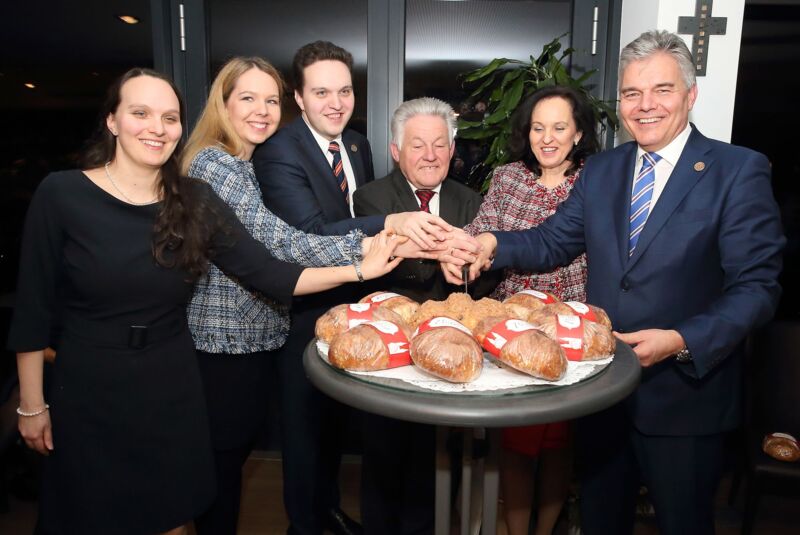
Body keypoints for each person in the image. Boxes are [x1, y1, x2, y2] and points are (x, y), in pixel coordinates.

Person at [7, 68, 404, 535]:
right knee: (87, 514)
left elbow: (270, 272)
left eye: (169, 117)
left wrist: (362, 270)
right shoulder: (62, 194)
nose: (157, 128)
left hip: (172, 383)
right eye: (140, 113)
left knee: (172, 513)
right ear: (112, 120)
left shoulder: (193, 199)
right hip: (89, 386)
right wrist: (31, 404)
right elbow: (32, 309)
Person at [445, 30, 785, 535]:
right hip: (603, 392)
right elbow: (553, 240)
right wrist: (492, 243)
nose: (645, 105)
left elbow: (757, 287)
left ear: (690, 95)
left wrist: (680, 340)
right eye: (631, 93)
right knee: (602, 520)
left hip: (684, 399)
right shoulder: (602, 170)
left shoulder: (737, 170)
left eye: (662, 90)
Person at [180, 56, 444, 535]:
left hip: (293, 318)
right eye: (247, 98)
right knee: (247, 455)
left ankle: (325, 514)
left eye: (269, 100)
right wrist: (380, 238)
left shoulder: (352, 146)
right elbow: (288, 240)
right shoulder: (230, 163)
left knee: (313, 435)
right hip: (237, 335)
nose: (262, 110)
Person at [252, 41, 478, 535]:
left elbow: (356, 219)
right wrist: (395, 225)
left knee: (335, 432)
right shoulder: (279, 152)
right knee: (306, 434)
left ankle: (329, 513)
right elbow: (311, 235)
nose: (335, 103)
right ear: (299, 97)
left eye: (344, 91)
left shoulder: (355, 145)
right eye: (321, 92)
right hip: (307, 310)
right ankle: (305, 526)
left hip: (354, 313)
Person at [352, 97, 496, 534]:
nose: (430, 155)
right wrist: (442, 252)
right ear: (396, 151)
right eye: (417, 145)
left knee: (435, 462)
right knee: (384, 458)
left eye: (439, 145)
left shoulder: (472, 202)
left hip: (449, 356)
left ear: (452, 150)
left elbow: (484, 280)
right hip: (390, 357)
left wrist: (469, 268)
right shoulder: (372, 199)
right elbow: (378, 268)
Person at [462, 85, 599, 535]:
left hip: (571, 328)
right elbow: (481, 230)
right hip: (512, 328)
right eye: (538, 128)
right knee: (516, 441)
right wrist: (456, 247)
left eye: (559, 127)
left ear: (578, 133)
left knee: (559, 442)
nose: (547, 138)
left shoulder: (596, 181)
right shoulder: (507, 178)